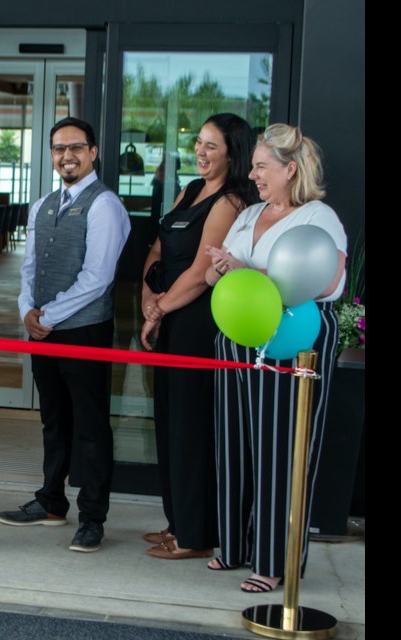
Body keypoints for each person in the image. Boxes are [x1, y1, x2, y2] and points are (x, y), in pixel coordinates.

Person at [205, 123, 347, 593]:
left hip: (291, 340)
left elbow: (325, 285)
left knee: (282, 449)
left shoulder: (318, 219)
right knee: (235, 442)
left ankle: (273, 560)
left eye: (261, 167)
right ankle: (234, 546)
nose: (253, 174)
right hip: (237, 337)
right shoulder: (250, 215)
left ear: (291, 169)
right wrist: (220, 267)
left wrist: (245, 269)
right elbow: (218, 275)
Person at [0, 117, 130, 553]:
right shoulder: (43, 205)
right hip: (44, 330)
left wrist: (46, 314)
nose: (66, 156)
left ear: (93, 152)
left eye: (75, 147)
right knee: (54, 420)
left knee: (90, 426)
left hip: (85, 330)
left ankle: (93, 517)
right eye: (58, 148)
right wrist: (25, 311)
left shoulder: (105, 205)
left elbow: (98, 277)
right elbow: (29, 267)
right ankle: (51, 500)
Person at [138, 114, 258, 560]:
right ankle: (177, 522)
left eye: (212, 146)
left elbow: (201, 273)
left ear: (233, 151)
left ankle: (194, 534)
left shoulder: (230, 201)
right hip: (168, 313)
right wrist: (150, 296)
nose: (201, 153)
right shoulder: (190, 189)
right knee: (169, 422)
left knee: (191, 427)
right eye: (199, 144)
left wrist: (159, 310)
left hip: (196, 323)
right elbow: (157, 247)